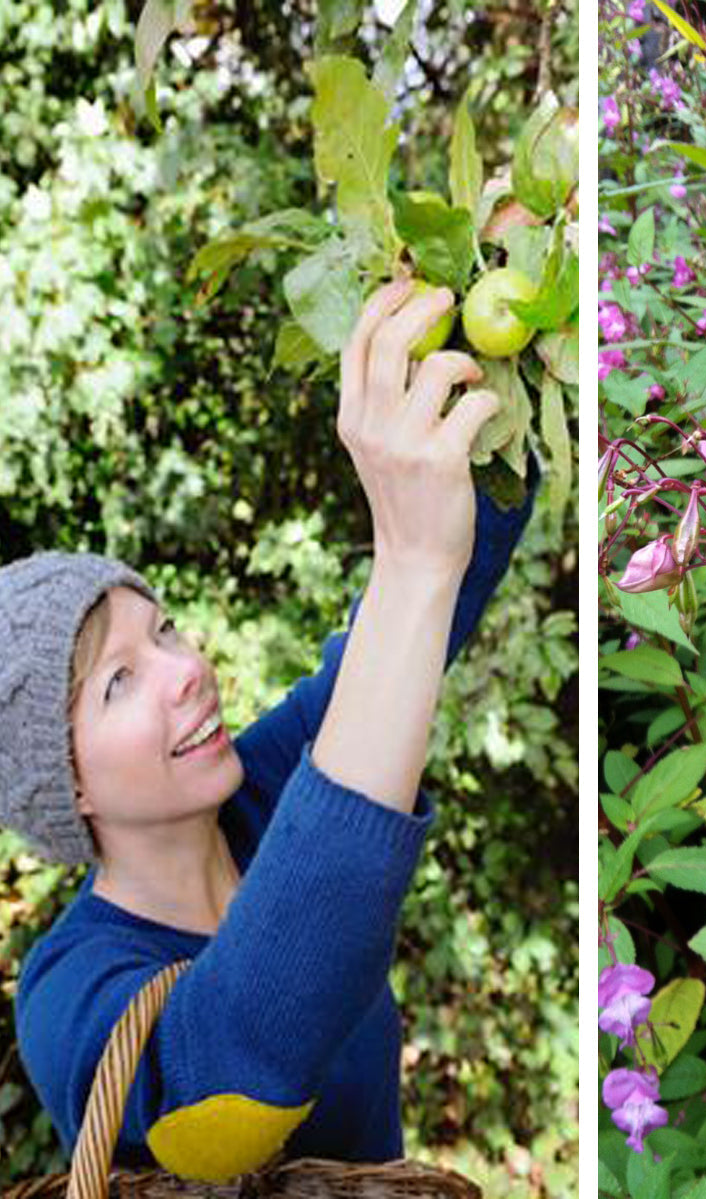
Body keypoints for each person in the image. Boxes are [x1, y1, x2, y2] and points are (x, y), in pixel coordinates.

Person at [1, 279, 536, 1182]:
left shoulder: (261, 787)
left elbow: (410, 635)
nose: (186, 669)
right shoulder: (69, 991)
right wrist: (407, 563)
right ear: (66, 783)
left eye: (164, 628)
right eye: (119, 682)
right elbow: (227, 1082)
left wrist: (507, 303)